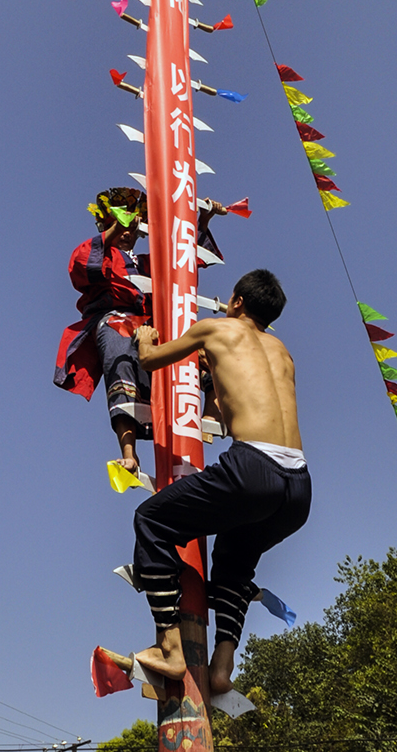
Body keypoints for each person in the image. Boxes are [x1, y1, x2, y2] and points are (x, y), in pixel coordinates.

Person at [125, 269, 309, 695]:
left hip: (253, 468)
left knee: (150, 520)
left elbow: (151, 362)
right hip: (298, 486)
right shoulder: (283, 352)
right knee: (234, 560)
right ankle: (222, 667)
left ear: (238, 302)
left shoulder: (214, 328)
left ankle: (170, 650)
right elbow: (244, 404)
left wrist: (146, 339)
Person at [54, 188, 226, 474]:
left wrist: (203, 221)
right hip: (117, 320)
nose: (126, 232)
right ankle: (129, 453)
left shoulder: (149, 262)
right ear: (105, 225)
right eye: (118, 225)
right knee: (119, 359)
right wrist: (114, 230)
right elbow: (82, 265)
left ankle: (208, 415)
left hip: (156, 326)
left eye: (132, 227)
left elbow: (185, 260)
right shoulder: (100, 252)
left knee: (206, 354)